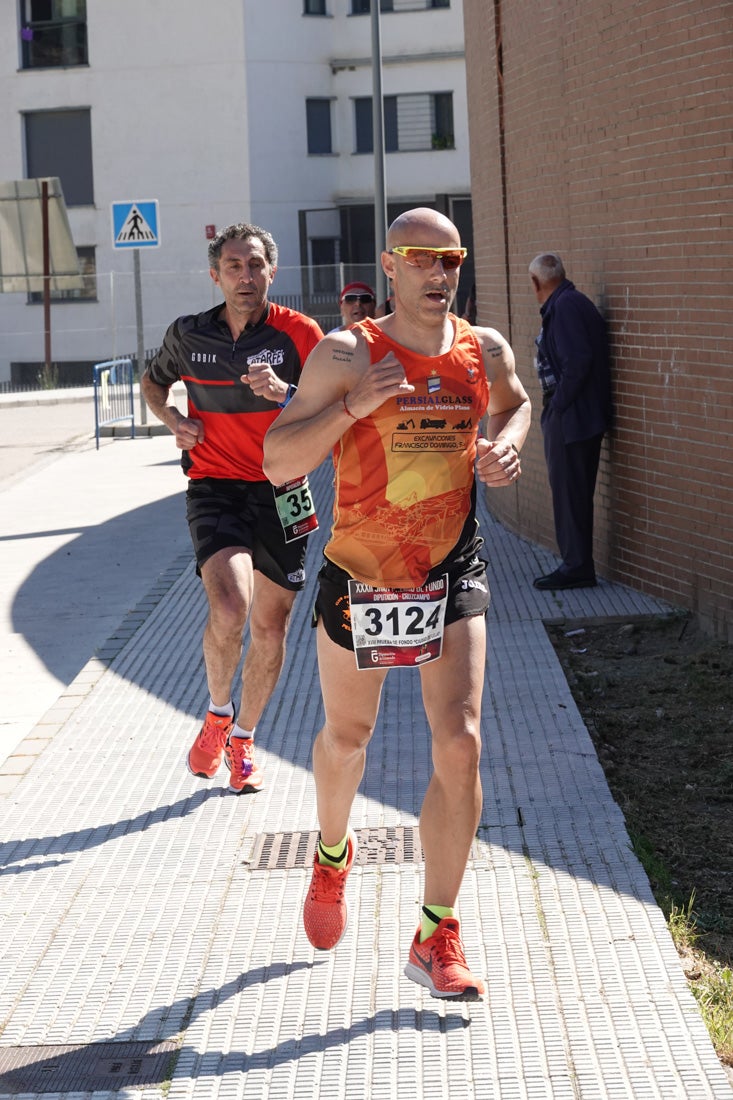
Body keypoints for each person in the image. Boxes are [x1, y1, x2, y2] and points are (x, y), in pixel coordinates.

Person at [263, 207, 531, 999]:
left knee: (462, 744)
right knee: (349, 739)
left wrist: (509, 441)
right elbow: (279, 460)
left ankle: (435, 932)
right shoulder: (348, 353)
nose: (437, 273)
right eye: (419, 258)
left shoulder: (482, 349)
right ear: (390, 265)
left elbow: (516, 400)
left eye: (449, 258)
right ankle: (332, 854)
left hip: (450, 568)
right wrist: (352, 406)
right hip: (361, 573)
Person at [141, 223, 324, 794]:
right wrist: (174, 421)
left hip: (284, 488)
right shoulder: (190, 334)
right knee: (229, 604)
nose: (245, 276)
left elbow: (336, 406)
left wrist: (286, 394)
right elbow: (152, 382)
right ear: (215, 275)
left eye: (255, 266)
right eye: (234, 266)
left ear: (273, 272)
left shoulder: (301, 334)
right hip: (215, 485)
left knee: (271, 626)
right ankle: (217, 713)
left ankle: (244, 739)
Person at [528, 252, 613, 590]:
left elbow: (577, 361)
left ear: (536, 283)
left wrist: (558, 407)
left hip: (573, 419)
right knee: (572, 493)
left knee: (569, 494)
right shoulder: (570, 302)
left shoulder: (564, 307)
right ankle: (576, 563)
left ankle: (576, 566)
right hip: (576, 416)